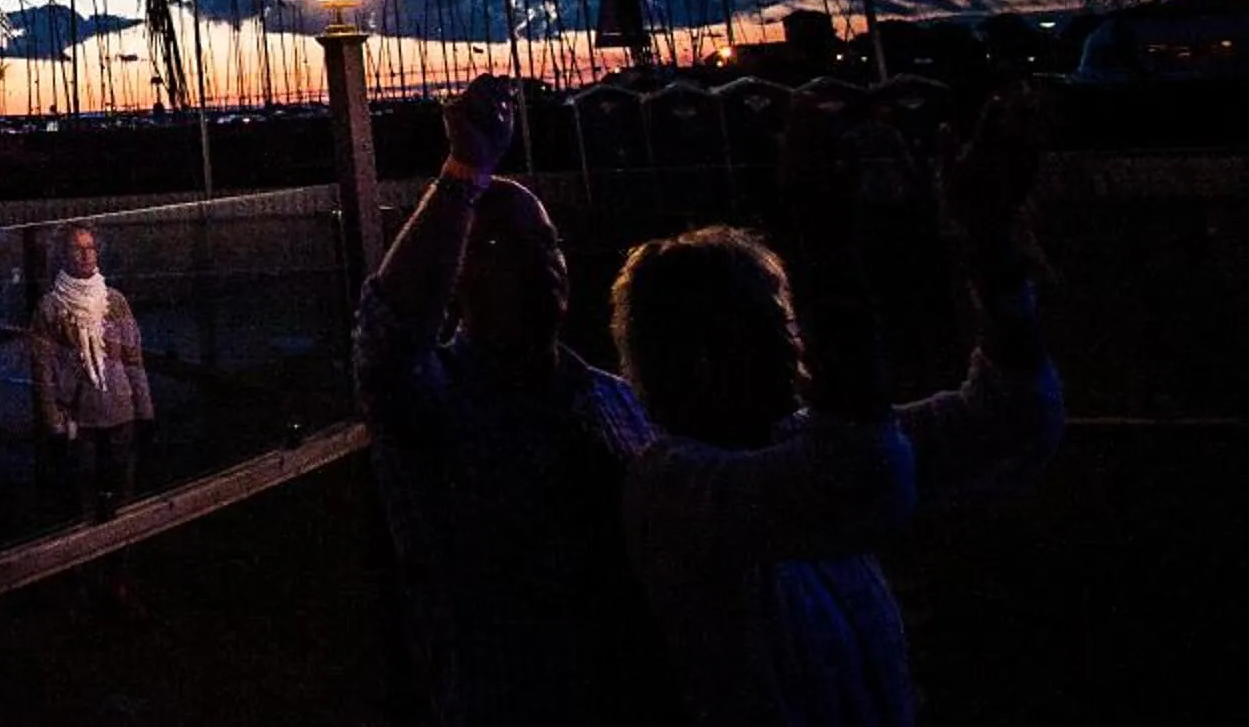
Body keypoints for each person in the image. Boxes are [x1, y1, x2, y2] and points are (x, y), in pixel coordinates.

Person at [613, 87, 1061, 727]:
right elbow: (862, 476)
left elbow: (1006, 423)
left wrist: (992, 249)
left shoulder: (793, 446)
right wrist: (828, 252)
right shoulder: (674, 493)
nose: (796, 348)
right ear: (703, 355)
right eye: (775, 326)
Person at [354, 75, 671, 727]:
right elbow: (388, 334)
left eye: (548, 244)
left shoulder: (618, 400)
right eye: (501, 247)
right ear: (457, 276)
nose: (537, 262)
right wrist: (463, 173)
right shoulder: (434, 403)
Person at [28, 223, 153, 522]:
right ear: (64, 254)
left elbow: (133, 361)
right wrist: (54, 424)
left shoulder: (114, 301)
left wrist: (145, 411)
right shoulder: (50, 308)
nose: (86, 255)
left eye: (90, 248)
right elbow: (43, 373)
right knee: (83, 502)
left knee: (123, 499)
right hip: (80, 421)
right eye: (77, 248)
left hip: (120, 415)